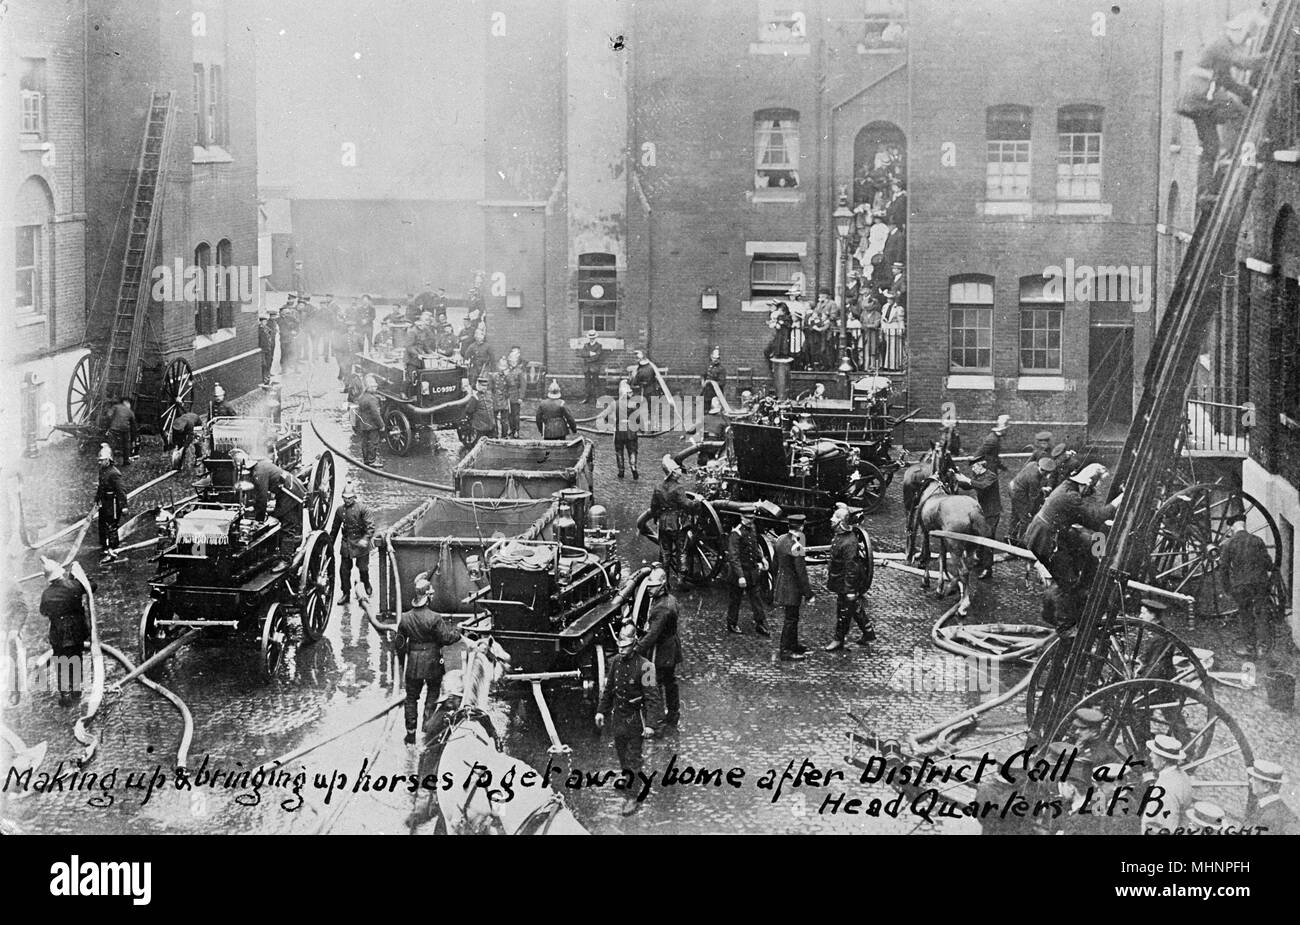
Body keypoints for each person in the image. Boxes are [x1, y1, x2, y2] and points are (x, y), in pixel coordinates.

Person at [1177, 11, 1267, 206]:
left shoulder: (1221, 47)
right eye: (1247, 36)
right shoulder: (1222, 44)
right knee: (1241, 113)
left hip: (1194, 99)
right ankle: (1236, 155)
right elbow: (1244, 63)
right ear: (1241, 31)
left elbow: (1227, 81)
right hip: (1202, 95)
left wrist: (1248, 92)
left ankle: (1204, 195)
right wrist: (1269, 57)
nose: (1245, 41)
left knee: (1210, 147)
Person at [596, 620, 661, 816]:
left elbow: (653, 698)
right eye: (619, 646)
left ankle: (632, 796)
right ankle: (627, 777)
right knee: (622, 754)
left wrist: (650, 725)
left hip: (635, 720)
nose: (621, 650)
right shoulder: (615, 662)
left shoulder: (646, 667)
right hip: (619, 719)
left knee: (634, 758)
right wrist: (601, 711)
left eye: (626, 646)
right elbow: (608, 691)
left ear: (635, 644)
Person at [1024, 463, 1121, 590]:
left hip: (1043, 530)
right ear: (1088, 482)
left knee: (1086, 543)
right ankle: (1066, 592)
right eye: (1093, 487)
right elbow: (1095, 518)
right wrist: (1120, 499)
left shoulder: (1068, 485)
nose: (1092, 491)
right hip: (1044, 538)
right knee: (1066, 581)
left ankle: (1081, 579)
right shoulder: (1071, 496)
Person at [398, 572, 463, 745]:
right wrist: (459, 632)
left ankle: (410, 733)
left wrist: (403, 662)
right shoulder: (435, 618)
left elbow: (399, 644)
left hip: (413, 663)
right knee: (432, 695)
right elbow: (446, 639)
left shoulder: (405, 618)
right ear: (428, 597)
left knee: (411, 698)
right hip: (433, 662)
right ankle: (426, 728)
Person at [1219, 513, 1277, 659]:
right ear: (1244, 526)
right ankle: (1262, 648)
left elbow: (1223, 569)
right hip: (1260, 584)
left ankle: (1250, 647)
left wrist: (1227, 589)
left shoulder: (1228, 544)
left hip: (1241, 586)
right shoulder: (1258, 540)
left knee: (1245, 615)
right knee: (1262, 613)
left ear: (1232, 527)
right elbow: (1269, 565)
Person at [39, 557, 90, 706]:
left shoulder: (46, 594)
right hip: (75, 631)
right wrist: (79, 574)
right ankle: (76, 692)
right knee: (76, 659)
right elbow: (91, 586)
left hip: (58, 633)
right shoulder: (74, 587)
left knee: (61, 662)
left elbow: (44, 611)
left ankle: (64, 694)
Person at [636, 565, 681, 733]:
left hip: (661, 651)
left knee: (654, 685)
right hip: (671, 647)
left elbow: (652, 635)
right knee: (671, 681)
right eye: (648, 586)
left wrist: (636, 650)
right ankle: (673, 714)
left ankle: (656, 724)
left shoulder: (662, 607)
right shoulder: (670, 600)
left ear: (662, 584)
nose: (649, 589)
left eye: (653, 586)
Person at [824, 504, 875, 651]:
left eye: (835, 518)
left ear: (841, 523)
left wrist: (850, 590)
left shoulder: (849, 542)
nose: (831, 519)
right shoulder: (840, 536)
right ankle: (868, 632)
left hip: (846, 582)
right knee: (853, 606)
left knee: (844, 610)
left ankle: (838, 639)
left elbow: (851, 569)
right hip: (840, 580)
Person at [969, 414, 1010, 577]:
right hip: (990, 501)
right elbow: (975, 458)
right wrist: (977, 471)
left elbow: (992, 457)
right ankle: (987, 566)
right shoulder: (992, 440)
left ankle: (982, 561)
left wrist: (999, 466)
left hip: (990, 501)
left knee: (986, 529)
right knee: (988, 532)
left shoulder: (995, 440)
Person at [649, 455, 697, 587]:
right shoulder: (678, 488)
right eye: (677, 469)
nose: (680, 470)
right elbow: (686, 504)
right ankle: (681, 581)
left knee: (665, 554)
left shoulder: (658, 487)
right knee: (682, 552)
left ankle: (664, 582)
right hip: (678, 523)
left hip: (663, 524)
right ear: (673, 473)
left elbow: (654, 507)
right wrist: (696, 503)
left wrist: (657, 518)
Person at [772, 513, 815, 661]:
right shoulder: (797, 545)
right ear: (801, 527)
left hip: (782, 582)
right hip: (793, 587)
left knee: (793, 616)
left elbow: (774, 563)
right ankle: (785, 650)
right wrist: (808, 594)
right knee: (790, 619)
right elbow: (801, 572)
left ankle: (793, 644)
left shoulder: (780, 540)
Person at [726, 508, 769, 637]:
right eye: (748, 518)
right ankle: (732, 623)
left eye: (752, 518)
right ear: (742, 517)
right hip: (739, 573)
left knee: (756, 598)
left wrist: (762, 558)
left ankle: (760, 623)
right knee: (735, 599)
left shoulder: (752, 529)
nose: (750, 521)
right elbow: (734, 557)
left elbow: (754, 547)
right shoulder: (736, 533)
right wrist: (740, 576)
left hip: (751, 571)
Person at [1142, 735, 1192, 833]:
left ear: (1164, 761)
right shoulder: (1183, 775)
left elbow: (1159, 828)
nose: (1150, 755)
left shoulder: (1163, 791)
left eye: (1154, 753)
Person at [337, 481, 375, 604]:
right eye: (345, 498)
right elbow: (334, 528)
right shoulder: (340, 510)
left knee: (363, 568)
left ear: (354, 497)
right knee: (344, 570)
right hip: (347, 543)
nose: (347, 500)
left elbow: (370, 527)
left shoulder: (363, 509)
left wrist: (365, 539)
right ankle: (346, 593)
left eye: (350, 498)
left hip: (361, 542)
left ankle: (366, 585)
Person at [1007, 455, 1057, 545]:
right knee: (1026, 518)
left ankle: (1010, 535)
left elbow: (1026, 481)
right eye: (1048, 473)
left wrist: (1041, 488)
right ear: (1044, 471)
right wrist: (1030, 510)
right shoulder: (1034, 478)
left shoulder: (1033, 464)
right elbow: (1033, 497)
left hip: (1013, 486)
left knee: (1015, 514)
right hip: (1019, 494)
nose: (1048, 476)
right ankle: (1021, 542)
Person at [1243, 760, 1298, 835]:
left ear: (1266, 787)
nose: (1250, 780)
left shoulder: (1272, 814)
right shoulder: (1275, 808)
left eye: (1255, 779)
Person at [95, 443, 127, 564]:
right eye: (99, 460)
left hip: (113, 503)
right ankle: (104, 546)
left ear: (108, 460)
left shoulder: (114, 473)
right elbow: (100, 486)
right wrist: (97, 499)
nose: (99, 462)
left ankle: (113, 549)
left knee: (111, 525)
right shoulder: (102, 471)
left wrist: (124, 506)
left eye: (101, 460)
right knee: (102, 523)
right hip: (104, 501)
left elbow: (121, 490)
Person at [1069, 706, 1126, 771]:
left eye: (1082, 729)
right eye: (1077, 728)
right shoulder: (1086, 741)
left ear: (1094, 732)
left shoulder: (1099, 751)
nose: (1077, 732)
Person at [355, 374, 385, 468]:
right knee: (373, 442)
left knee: (365, 442)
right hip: (372, 425)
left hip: (363, 424)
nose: (375, 388)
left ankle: (366, 460)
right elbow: (376, 414)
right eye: (374, 387)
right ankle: (372, 461)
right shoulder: (372, 399)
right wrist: (382, 425)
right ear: (369, 387)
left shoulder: (362, 397)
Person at [613, 378, 640, 479]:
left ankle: (621, 470)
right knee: (632, 450)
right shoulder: (633, 404)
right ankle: (633, 467)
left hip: (619, 430)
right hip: (631, 431)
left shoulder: (615, 404)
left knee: (619, 450)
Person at [168, 404, 204, 472]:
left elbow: (190, 438)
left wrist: (183, 447)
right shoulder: (176, 424)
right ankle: (179, 464)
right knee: (180, 444)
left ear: (183, 428)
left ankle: (199, 457)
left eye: (180, 431)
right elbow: (174, 437)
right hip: (187, 419)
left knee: (197, 441)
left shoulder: (190, 424)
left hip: (196, 421)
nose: (179, 432)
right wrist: (176, 447)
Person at [105, 396, 137, 467]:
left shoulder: (115, 407)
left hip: (114, 429)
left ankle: (110, 461)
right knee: (126, 445)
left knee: (112, 445)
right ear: (126, 403)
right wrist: (133, 438)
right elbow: (134, 425)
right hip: (125, 430)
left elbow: (108, 415)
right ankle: (126, 461)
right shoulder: (130, 411)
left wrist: (110, 424)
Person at [465, 377, 496, 445]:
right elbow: (469, 411)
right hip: (480, 427)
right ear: (478, 386)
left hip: (491, 426)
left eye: (485, 386)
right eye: (482, 386)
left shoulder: (489, 395)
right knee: (478, 445)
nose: (484, 388)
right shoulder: (475, 397)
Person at [577, 330, 605, 403]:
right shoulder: (586, 345)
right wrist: (590, 354)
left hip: (594, 367)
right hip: (587, 368)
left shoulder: (599, 346)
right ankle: (586, 398)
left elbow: (597, 356)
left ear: (595, 338)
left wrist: (588, 358)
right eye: (590, 338)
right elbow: (582, 354)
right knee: (587, 383)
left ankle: (597, 399)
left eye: (593, 337)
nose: (591, 339)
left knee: (596, 383)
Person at [504, 347, 526, 437]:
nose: (512, 362)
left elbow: (523, 385)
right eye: (511, 361)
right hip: (507, 395)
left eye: (514, 361)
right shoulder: (506, 371)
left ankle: (516, 430)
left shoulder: (519, 371)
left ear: (516, 361)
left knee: (516, 414)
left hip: (516, 395)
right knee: (509, 414)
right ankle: (511, 429)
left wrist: (521, 397)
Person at [489, 356, 511, 439]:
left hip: (504, 401)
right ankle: (495, 435)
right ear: (498, 366)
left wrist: (507, 376)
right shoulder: (494, 376)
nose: (502, 368)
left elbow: (512, 387)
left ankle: (504, 435)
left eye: (504, 366)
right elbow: (490, 388)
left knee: (504, 420)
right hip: (495, 400)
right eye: (501, 366)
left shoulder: (508, 376)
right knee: (494, 419)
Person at [279, 297, 301, 373]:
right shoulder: (279, 320)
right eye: (284, 313)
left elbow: (297, 326)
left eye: (287, 313)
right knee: (284, 355)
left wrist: (296, 333)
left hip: (291, 340)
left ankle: (296, 369)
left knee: (294, 354)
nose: (286, 314)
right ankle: (283, 369)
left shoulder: (292, 318)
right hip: (283, 340)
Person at [258, 313, 278, 384]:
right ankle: (264, 378)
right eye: (264, 321)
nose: (265, 323)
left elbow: (271, 335)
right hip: (263, 349)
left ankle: (267, 376)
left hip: (268, 348)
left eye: (265, 321)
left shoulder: (267, 329)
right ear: (260, 322)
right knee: (264, 364)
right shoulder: (259, 330)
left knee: (269, 362)